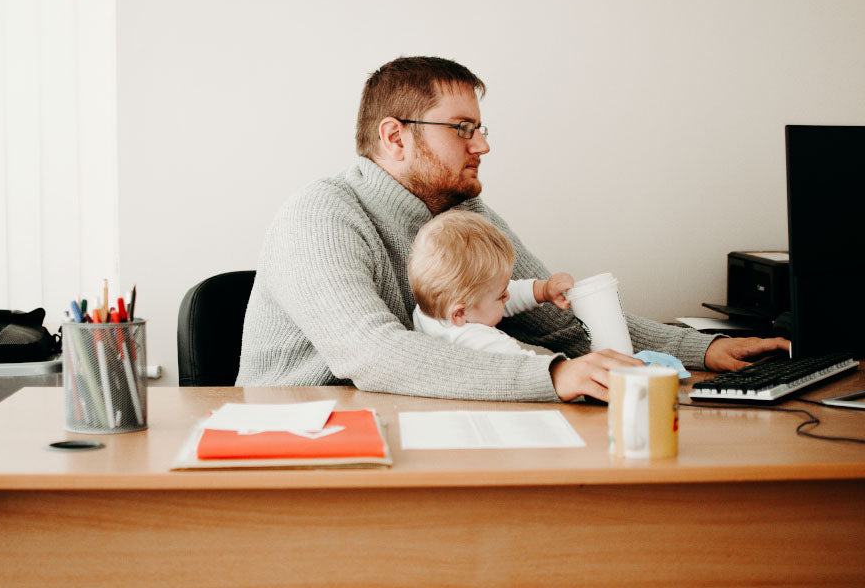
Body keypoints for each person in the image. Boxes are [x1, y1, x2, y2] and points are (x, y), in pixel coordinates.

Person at [236, 55, 789, 402]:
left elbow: (560, 323)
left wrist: (705, 350)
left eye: (480, 128)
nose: (482, 145)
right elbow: (372, 354)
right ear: (395, 137)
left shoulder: (467, 217)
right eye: (462, 129)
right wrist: (551, 378)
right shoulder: (320, 215)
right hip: (303, 450)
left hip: (416, 423)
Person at [409, 209, 574, 355]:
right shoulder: (483, 343)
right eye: (502, 296)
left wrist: (543, 290)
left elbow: (489, 298)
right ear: (459, 314)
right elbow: (528, 371)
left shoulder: (430, 310)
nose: (508, 296)